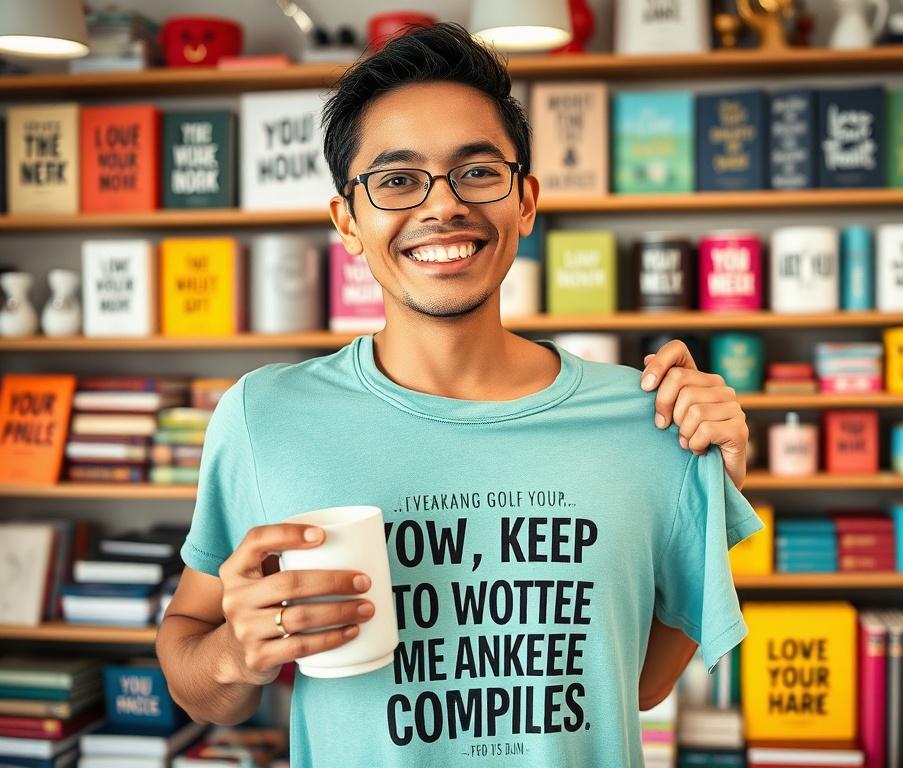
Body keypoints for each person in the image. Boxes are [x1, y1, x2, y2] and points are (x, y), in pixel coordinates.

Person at [157, 22, 760, 767]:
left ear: (525, 202)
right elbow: (195, 672)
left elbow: (640, 686)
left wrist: (712, 489)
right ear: (348, 221)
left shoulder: (647, 418)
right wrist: (234, 655)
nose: (442, 207)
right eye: (397, 179)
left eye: (477, 172)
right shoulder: (262, 417)